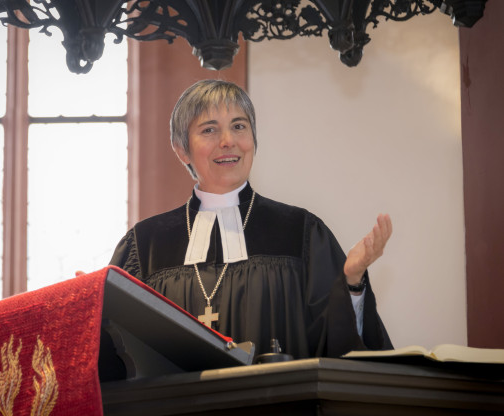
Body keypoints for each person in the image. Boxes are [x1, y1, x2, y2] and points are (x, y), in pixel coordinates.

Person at [110, 79, 393, 358]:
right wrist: (95, 302)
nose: (228, 141)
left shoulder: (300, 233)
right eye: (209, 130)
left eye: (239, 126)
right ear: (181, 149)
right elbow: (119, 350)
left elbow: (339, 345)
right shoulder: (146, 245)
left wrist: (352, 281)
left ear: (253, 140)